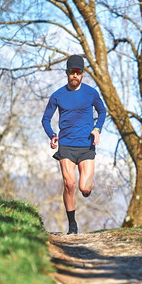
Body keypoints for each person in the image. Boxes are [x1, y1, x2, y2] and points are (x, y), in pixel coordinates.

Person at [41, 55, 106, 234]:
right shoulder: (57, 95)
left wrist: (97, 129)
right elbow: (46, 119)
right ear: (67, 73)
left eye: (78, 72)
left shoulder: (91, 93)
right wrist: (52, 135)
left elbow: (102, 112)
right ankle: (72, 225)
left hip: (86, 145)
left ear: (83, 74)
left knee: (84, 187)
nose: (75, 75)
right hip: (66, 145)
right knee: (69, 184)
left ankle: (86, 189)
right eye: (71, 72)